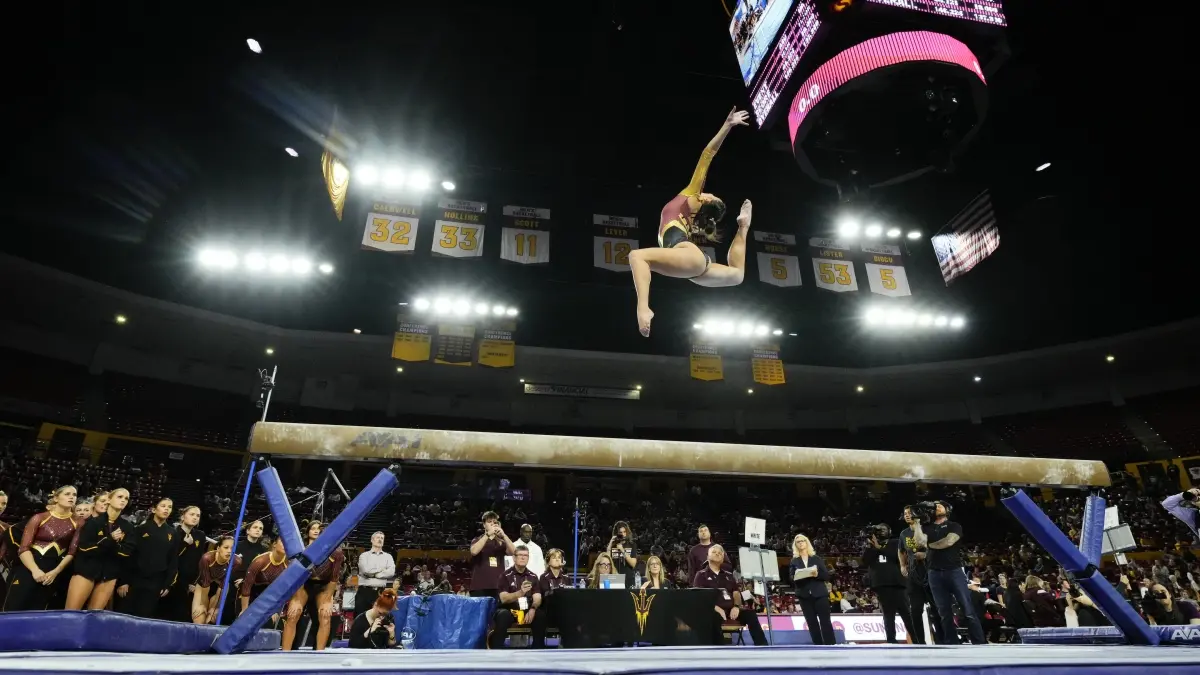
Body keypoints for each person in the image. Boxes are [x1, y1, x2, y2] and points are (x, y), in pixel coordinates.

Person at [629, 107, 753, 337]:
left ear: (706, 199)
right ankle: (743, 226)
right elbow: (708, 154)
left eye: (712, 194)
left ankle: (643, 308)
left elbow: (708, 154)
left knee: (637, 256)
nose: (709, 191)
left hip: (689, 259)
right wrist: (728, 126)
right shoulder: (690, 213)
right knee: (737, 275)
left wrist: (727, 125)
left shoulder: (690, 195)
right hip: (694, 265)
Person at [912, 502, 986, 644]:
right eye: (935, 507)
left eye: (940, 506)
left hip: (954, 571)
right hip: (934, 573)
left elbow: (948, 542)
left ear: (948, 510)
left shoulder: (954, 526)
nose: (937, 508)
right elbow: (918, 543)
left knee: (967, 609)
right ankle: (951, 643)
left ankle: (979, 642)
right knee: (943, 612)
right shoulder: (926, 527)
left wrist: (929, 545)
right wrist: (916, 522)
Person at [2, 485, 81, 611]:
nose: (71, 497)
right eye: (67, 494)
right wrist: (35, 570)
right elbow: (23, 548)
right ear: (56, 498)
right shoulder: (39, 517)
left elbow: (72, 551)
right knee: (14, 605)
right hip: (29, 566)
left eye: (74, 495)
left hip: (53, 569)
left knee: (37, 610)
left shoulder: (78, 522)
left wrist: (55, 572)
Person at [65, 487, 130, 610]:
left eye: (126, 498)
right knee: (71, 613)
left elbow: (126, 553)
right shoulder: (93, 523)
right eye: (120, 497)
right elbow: (85, 548)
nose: (123, 500)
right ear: (109, 500)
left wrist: (105, 545)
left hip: (109, 575)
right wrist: (110, 540)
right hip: (86, 571)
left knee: (94, 617)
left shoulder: (128, 527)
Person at [283, 520, 343, 651]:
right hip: (302, 585)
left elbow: (334, 579)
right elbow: (296, 576)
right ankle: (285, 651)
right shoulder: (300, 550)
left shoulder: (336, 552)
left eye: (319, 529)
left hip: (323, 587)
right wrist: (297, 599)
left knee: (325, 614)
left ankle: (320, 653)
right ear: (307, 532)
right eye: (313, 528)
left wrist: (328, 600)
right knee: (294, 613)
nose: (316, 531)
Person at [693, 544, 768, 646]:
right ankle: (720, 650)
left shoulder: (729, 575)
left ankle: (762, 646)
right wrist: (716, 608)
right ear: (708, 556)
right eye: (714, 552)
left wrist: (736, 607)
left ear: (723, 558)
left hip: (731, 611)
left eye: (720, 553)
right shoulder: (701, 575)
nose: (717, 554)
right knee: (714, 618)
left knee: (750, 614)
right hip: (712, 611)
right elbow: (699, 596)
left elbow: (736, 593)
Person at [117, 497, 179, 618]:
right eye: (163, 506)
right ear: (154, 509)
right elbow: (129, 557)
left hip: (156, 582)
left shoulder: (173, 533)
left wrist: (167, 584)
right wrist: (123, 581)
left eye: (169, 507)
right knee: (124, 615)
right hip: (134, 580)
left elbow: (173, 560)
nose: (166, 509)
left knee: (145, 616)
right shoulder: (139, 529)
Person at [863, 524, 914, 644]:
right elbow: (865, 561)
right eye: (878, 530)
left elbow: (897, 557)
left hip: (898, 583)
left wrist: (879, 547)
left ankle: (917, 638)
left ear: (889, 531)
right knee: (888, 614)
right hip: (881, 585)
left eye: (883, 529)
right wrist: (873, 547)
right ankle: (891, 640)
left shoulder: (895, 542)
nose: (880, 531)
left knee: (906, 613)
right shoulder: (870, 546)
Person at [898, 506, 943, 644]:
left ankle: (942, 640)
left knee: (936, 610)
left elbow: (936, 548)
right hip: (913, 576)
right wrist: (902, 564)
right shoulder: (904, 533)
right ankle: (919, 643)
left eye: (909, 513)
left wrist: (925, 555)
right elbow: (901, 550)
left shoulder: (927, 529)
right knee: (915, 612)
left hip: (930, 573)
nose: (906, 515)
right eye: (904, 513)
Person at [488, 545, 545, 649]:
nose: (523, 558)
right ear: (514, 558)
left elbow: (537, 597)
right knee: (503, 615)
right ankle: (497, 649)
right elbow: (504, 598)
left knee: (540, 615)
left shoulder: (533, 577)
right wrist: (521, 592)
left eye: (526, 555)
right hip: (509, 610)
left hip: (526, 610)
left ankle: (538, 649)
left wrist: (533, 609)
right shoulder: (505, 576)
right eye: (520, 555)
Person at [789, 534, 834, 645]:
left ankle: (831, 645)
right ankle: (818, 645)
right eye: (798, 542)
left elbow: (826, 576)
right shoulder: (794, 561)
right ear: (795, 545)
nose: (800, 543)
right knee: (811, 622)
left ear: (807, 542)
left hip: (819, 594)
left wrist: (815, 574)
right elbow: (791, 578)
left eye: (802, 541)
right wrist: (799, 576)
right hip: (804, 595)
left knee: (825, 621)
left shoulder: (816, 559)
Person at [163, 505, 206, 622]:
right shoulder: (173, 532)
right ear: (183, 516)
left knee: (182, 615)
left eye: (198, 516)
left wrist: (194, 582)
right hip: (172, 579)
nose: (195, 518)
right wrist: (184, 544)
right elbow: (169, 557)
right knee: (166, 612)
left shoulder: (200, 535)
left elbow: (200, 560)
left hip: (188, 583)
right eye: (192, 514)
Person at [192, 536, 242, 624]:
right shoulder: (207, 559)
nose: (229, 551)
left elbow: (222, 586)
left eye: (232, 548)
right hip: (203, 586)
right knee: (199, 618)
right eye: (226, 547)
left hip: (220, 588)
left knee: (212, 618)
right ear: (218, 548)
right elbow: (205, 584)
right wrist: (203, 605)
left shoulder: (236, 561)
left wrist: (214, 608)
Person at [468, 511, 515, 599]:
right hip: (480, 586)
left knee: (498, 612)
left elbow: (514, 552)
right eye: (490, 522)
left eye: (495, 522)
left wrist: (504, 535)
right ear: (484, 525)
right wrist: (488, 534)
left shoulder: (502, 542)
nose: (493, 524)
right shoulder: (477, 539)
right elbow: (474, 551)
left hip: (499, 586)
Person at [241, 537, 288, 626]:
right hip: (251, 593)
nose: (286, 545)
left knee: (272, 622)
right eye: (283, 542)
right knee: (245, 621)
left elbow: (282, 591)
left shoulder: (288, 564)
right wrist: (244, 609)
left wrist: (274, 610)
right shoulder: (260, 561)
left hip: (269, 597)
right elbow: (247, 585)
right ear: (274, 544)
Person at [356, 531, 395, 618]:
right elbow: (366, 570)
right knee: (360, 619)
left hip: (380, 593)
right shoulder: (364, 555)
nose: (380, 540)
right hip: (364, 592)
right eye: (378, 537)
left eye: (382, 538)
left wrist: (375, 574)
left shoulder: (388, 557)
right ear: (372, 540)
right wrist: (383, 570)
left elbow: (391, 572)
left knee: (378, 620)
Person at [608, 521, 642, 588]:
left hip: (629, 578)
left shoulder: (632, 545)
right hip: (615, 578)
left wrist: (622, 550)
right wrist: (610, 544)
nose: (623, 534)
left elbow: (633, 564)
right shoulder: (612, 545)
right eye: (620, 532)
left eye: (624, 532)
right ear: (616, 533)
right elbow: (607, 560)